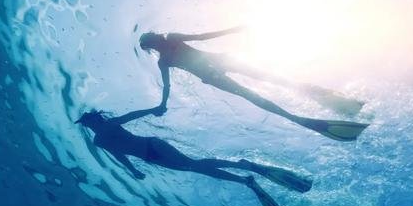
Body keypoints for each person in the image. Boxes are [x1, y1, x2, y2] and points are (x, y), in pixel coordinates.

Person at [76, 108, 313, 206]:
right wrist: (133, 170)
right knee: (194, 168)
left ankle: (244, 168)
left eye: (90, 119)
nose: (91, 122)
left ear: (93, 119)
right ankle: (245, 179)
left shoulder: (107, 127)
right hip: (151, 155)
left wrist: (153, 108)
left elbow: (131, 115)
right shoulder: (100, 139)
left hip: (152, 145)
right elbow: (119, 155)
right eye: (88, 121)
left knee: (192, 165)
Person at [139, 27, 369, 141]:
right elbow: (167, 86)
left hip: (218, 61)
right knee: (251, 95)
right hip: (213, 75)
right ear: (153, 47)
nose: (158, 42)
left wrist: (233, 29)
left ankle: (319, 92)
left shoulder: (173, 38)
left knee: (270, 77)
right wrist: (162, 104)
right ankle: (297, 119)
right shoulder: (164, 61)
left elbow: (202, 37)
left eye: (155, 39)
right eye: (154, 43)